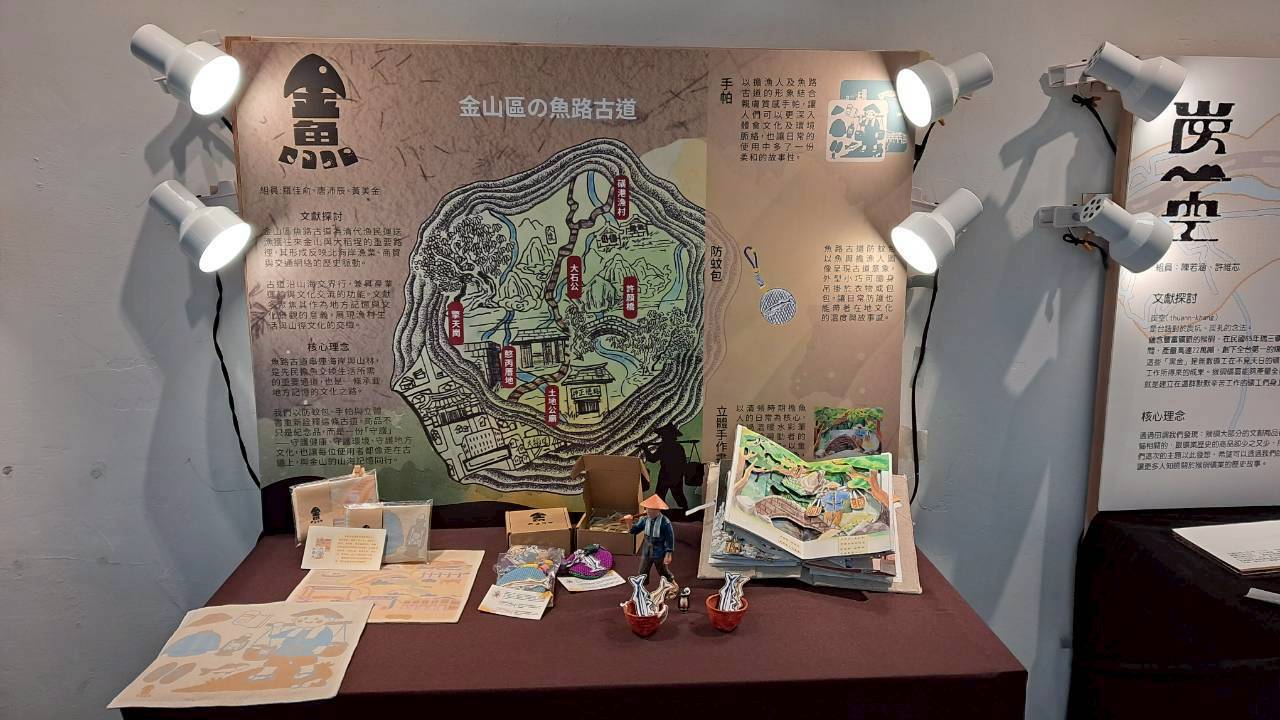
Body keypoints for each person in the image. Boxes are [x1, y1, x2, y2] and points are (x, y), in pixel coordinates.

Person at [622, 494, 676, 589]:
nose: (649, 511)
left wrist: (668, 553)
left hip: (659, 550)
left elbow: (669, 538)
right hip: (647, 549)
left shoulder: (665, 522)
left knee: (662, 570)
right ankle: (641, 587)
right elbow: (634, 531)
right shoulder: (644, 519)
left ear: (658, 510)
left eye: (652, 509)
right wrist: (629, 523)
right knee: (643, 570)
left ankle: (671, 583)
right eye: (648, 509)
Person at [642, 424, 689, 508]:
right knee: (678, 495)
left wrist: (645, 448)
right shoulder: (679, 447)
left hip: (665, 475)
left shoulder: (664, 447)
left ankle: (661, 512)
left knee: (660, 496)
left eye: (662, 436)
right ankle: (686, 511)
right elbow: (683, 463)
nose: (661, 438)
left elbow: (652, 459)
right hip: (677, 475)